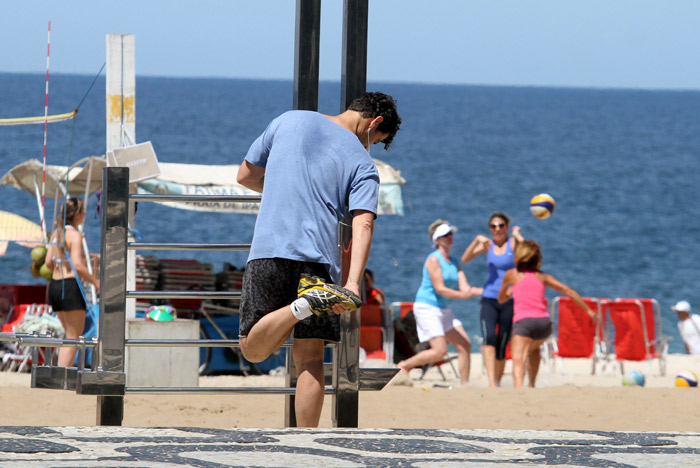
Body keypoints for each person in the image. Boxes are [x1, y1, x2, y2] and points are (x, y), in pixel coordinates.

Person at [236, 91, 401, 427]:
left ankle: (301, 306)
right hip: (319, 263)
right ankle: (306, 441)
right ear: (376, 122)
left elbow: (246, 176)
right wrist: (353, 283)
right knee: (310, 358)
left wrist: (286, 185)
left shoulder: (289, 119)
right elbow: (363, 222)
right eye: (377, 139)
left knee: (253, 350)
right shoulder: (363, 163)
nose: (370, 145)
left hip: (270, 248)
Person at [498, 239, 596, 388]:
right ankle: (531, 384)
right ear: (537, 258)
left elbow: (501, 298)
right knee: (534, 348)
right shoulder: (543, 276)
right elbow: (568, 291)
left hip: (524, 321)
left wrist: (509, 292)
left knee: (519, 358)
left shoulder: (511, 274)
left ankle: (518, 390)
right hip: (544, 324)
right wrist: (588, 310)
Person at [396, 220, 482, 385]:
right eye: (445, 235)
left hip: (442, 309)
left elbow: (465, 287)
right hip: (427, 307)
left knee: (465, 344)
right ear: (436, 240)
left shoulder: (455, 262)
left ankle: (465, 385)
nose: (449, 237)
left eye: (450, 234)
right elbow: (440, 289)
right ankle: (404, 366)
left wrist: (492, 292)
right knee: (439, 351)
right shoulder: (433, 260)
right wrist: (463, 295)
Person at [461, 211, 523, 387]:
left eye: (501, 225)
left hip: (509, 300)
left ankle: (497, 380)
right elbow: (465, 259)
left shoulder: (514, 243)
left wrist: (518, 235)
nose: (497, 229)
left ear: (507, 227)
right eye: (493, 226)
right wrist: (476, 240)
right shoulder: (488, 246)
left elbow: (529, 254)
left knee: (502, 345)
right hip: (489, 299)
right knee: (489, 340)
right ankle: (491, 384)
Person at [45, 198, 100, 367]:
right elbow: (77, 264)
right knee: (73, 336)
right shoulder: (74, 235)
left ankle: (59, 372)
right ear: (77, 214)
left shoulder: (56, 234)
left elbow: (48, 263)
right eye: (83, 212)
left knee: (68, 335)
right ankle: (61, 375)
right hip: (68, 287)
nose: (85, 215)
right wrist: (95, 282)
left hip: (54, 286)